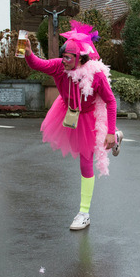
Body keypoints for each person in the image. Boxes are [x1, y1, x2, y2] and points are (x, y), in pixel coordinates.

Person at [24, 22, 121, 230]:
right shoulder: (59, 66)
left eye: (69, 57)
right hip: (68, 111)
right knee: (91, 151)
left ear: (81, 59)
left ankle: (84, 212)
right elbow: (37, 64)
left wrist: (110, 131)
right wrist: (28, 53)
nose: (64, 60)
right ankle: (114, 138)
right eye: (63, 55)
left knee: (86, 161)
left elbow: (111, 101)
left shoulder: (96, 75)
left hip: (90, 116)